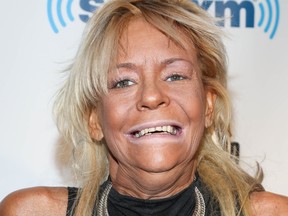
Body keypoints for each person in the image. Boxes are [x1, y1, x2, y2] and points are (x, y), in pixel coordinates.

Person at [1, 0, 288, 215]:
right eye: (123, 82)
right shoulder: (30, 211)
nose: (151, 96)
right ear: (94, 120)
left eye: (175, 76)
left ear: (209, 105)